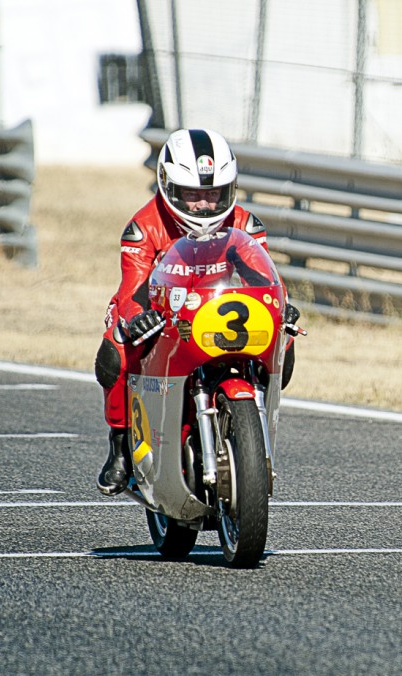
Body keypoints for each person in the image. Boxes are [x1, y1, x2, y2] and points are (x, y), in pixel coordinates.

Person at [94, 127, 300, 496]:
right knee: (116, 346)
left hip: (222, 310)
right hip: (164, 313)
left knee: (284, 337)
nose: (205, 205)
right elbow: (131, 291)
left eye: (214, 195)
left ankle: (254, 430)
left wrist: (282, 306)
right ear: (168, 185)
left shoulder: (246, 224)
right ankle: (121, 446)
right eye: (193, 195)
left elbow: (267, 278)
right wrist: (136, 316)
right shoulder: (143, 228)